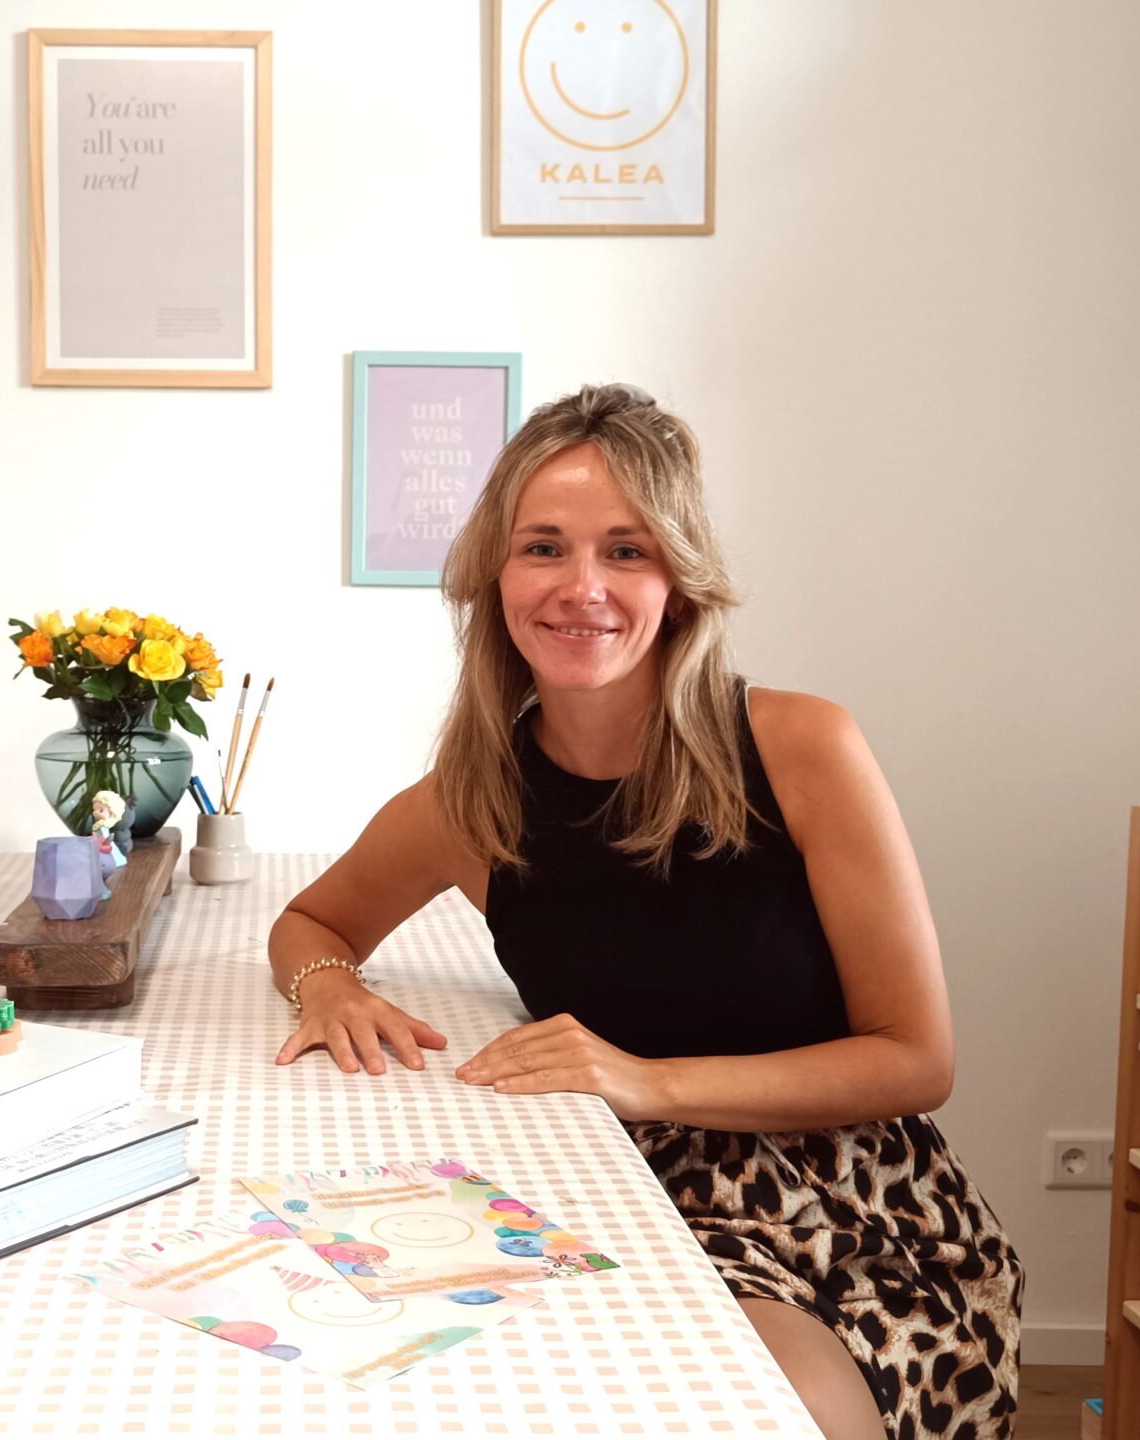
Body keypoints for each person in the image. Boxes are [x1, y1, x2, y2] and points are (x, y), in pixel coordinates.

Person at [264, 384, 1020, 1439]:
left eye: (626, 550)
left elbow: (916, 1058)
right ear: (496, 575)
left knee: (770, 1414)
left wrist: (645, 1080)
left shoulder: (801, 746)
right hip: (594, 1174)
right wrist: (329, 987)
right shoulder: (471, 798)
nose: (582, 587)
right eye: (543, 548)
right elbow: (312, 921)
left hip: (839, 1202)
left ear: (680, 578)